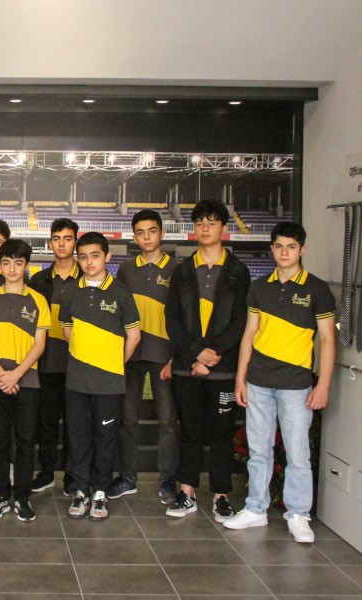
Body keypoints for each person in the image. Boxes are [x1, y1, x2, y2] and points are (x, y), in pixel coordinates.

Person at [224, 222, 336, 543]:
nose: (284, 252)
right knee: (259, 450)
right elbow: (249, 334)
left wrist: (323, 385)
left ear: (302, 249)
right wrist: (241, 379)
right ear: (271, 248)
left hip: (296, 385)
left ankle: (298, 514)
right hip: (258, 382)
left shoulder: (317, 290)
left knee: (297, 453)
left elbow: (327, 340)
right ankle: (255, 509)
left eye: (291, 247)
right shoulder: (259, 287)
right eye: (279, 246)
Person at [165, 199, 251, 520]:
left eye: (212, 223)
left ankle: (220, 495)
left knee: (221, 434)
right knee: (189, 431)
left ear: (223, 228)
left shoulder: (238, 271)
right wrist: (194, 353)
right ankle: (186, 492)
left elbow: (240, 321)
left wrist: (211, 355)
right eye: (200, 223)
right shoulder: (183, 270)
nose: (205, 228)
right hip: (187, 368)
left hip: (222, 369)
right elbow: (172, 318)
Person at [61, 232, 141, 521]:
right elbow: (68, 331)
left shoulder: (121, 292)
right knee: (78, 437)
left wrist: (113, 363)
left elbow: (134, 336)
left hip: (109, 382)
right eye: (83, 257)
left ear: (107, 256)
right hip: (77, 381)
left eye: (95, 256)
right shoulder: (70, 292)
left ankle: (100, 492)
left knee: (105, 437)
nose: (89, 262)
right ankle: (81, 490)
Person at [0, 239, 50, 522]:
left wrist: (16, 374)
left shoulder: (38, 301)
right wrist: (0, 374)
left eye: (18, 263)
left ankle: (22, 496)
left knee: (25, 441)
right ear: (0, 265)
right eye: (6, 263)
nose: (12, 268)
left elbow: (39, 344)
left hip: (26, 381)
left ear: (26, 265)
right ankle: (0, 496)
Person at [108, 210, 180, 504]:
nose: (146, 237)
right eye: (140, 232)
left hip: (164, 355)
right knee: (127, 419)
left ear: (161, 233)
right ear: (134, 237)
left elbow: (183, 316)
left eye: (152, 231)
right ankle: (127, 477)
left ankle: (168, 480)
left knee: (168, 421)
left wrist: (176, 357)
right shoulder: (126, 270)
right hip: (132, 354)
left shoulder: (176, 269)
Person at [28, 218, 80, 496]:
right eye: (57, 238)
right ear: (50, 243)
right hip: (46, 364)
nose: (62, 244)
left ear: (75, 242)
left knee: (75, 425)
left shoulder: (86, 279)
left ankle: (72, 476)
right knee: (47, 424)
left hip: (77, 365)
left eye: (67, 238)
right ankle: (46, 472)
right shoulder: (38, 281)